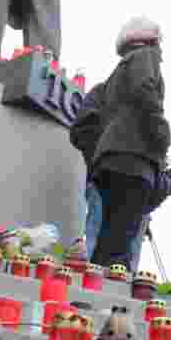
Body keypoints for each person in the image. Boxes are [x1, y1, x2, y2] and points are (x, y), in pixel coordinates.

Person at [88, 17, 171, 268]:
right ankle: (110, 294)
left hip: (113, 158)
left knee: (110, 234)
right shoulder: (146, 56)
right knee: (122, 237)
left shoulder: (120, 69)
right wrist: (162, 133)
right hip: (134, 159)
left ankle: (97, 286)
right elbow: (145, 92)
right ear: (151, 39)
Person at [69, 81, 107, 260]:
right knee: (96, 229)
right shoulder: (103, 91)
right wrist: (99, 157)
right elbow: (80, 131)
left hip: (125, 178)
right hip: (101, 176)